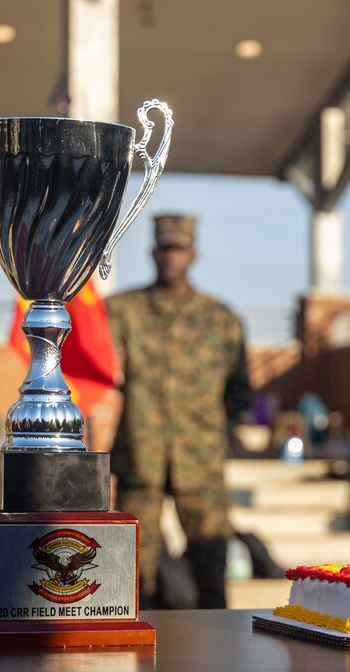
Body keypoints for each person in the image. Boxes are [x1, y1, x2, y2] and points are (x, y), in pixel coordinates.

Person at [107, 214, 252, 609]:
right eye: (165, 249)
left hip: (200, 459)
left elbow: (240, 389)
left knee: (211, 565)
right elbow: (91, 360)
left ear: (194, 254)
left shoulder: (221, 319)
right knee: (134, 571)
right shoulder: (122, 311)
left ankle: (217, 662)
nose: (172, 257)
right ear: (153, 252)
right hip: (141, 457)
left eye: (180, 249)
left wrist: (208, 425)